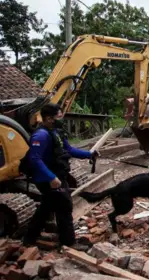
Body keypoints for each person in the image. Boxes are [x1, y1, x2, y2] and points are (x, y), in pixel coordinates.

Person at [22, 103, 99, 248]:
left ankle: (29, 237)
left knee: (47, 206)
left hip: (56, 175)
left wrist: (89, 154)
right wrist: (51, 177)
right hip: (48, 179)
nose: (61, 119)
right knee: (64, 206)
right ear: (50, 118)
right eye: (59, 116)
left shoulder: (56, 132)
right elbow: (34, 159)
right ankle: (69, 243)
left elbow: (68, 150)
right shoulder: (41, 135)